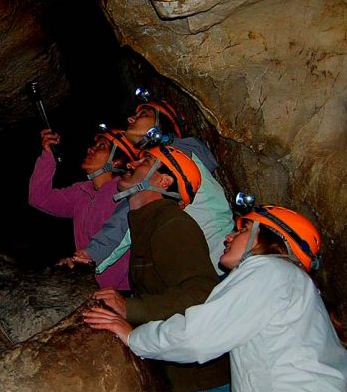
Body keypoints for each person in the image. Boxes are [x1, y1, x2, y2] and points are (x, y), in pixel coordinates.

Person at [84, 202, 347, 392]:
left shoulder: (268, 271)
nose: (228, 236)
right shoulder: (292, 286)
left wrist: (133, 336)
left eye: (243, 229)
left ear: (268, 239)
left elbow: (198, 335)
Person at [91, 147, 252, 392]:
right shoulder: (148, 225)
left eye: (146, 161)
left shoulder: (172, 224)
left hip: (206, 386)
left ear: (163, 180)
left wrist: (129, 308)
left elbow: (200, 293)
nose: (132, 162)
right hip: (193, 384)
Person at [72, 95, 236, 287]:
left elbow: (129, 216)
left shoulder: (170, 158)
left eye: (143, 114)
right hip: (209, 267)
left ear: (162, 124)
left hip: (211, 269)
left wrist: (90, 256)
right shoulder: (179, 156)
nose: (130, 119)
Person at [27, 126, 140, 289]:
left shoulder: (126, 196)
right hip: (87, 283)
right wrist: (48, 155)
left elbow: (115, 240)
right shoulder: (81, 191)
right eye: (95, 145)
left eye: (102, 146)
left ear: (116, 161)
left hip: (119, 291)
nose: (90, 149)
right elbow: (39, 197)